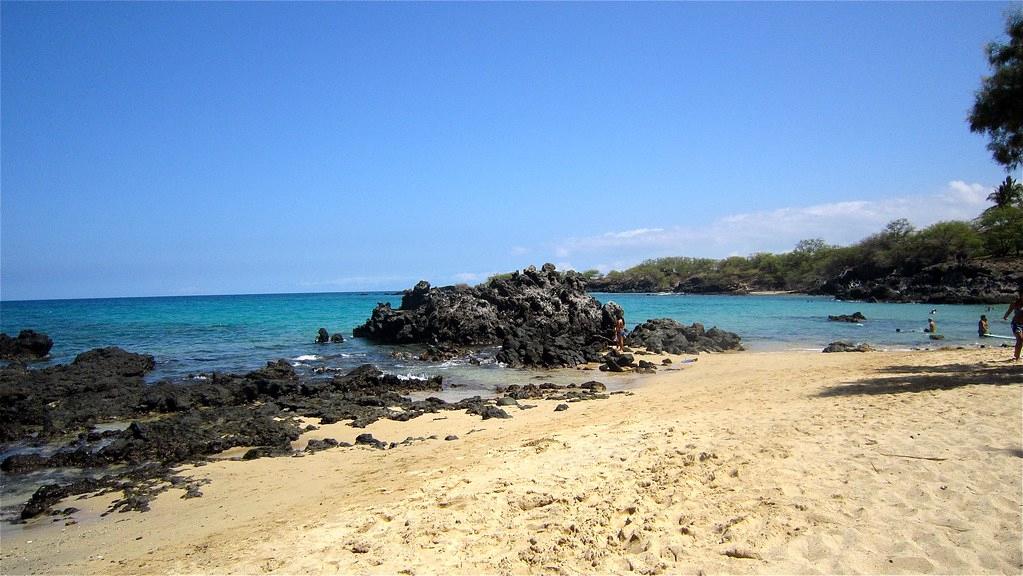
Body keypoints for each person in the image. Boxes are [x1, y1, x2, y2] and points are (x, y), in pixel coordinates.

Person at [1003, 287, 1023, 362]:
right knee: (1020, 339)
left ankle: (1017, 355)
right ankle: (1016, 357)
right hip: (1016, 324)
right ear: (1020, 295)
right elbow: (1009, 311)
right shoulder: (1015, 303)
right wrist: (1005, 317)